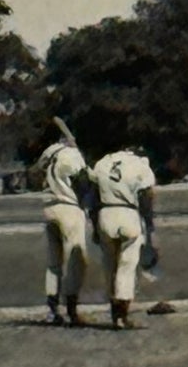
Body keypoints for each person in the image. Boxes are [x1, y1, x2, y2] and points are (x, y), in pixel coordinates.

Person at [90, 146, 158, 329]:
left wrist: (95, 227)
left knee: (109, 266)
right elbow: (147, 197)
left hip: (105, 213)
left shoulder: (102, 163)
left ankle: (114, 315)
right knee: (127, 267)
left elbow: (93, 199)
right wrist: (149, 226)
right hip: (128, 214)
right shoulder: (139, 164)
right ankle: (122, 316)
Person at [36, 127, 92, 326]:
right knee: (77, 259)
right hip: (68, 207)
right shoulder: (72, 154)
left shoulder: (49, 153)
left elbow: (35, 172)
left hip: (48, 206)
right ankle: (72, 309)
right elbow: (82, 184)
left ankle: (52, 310)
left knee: (54, 263)